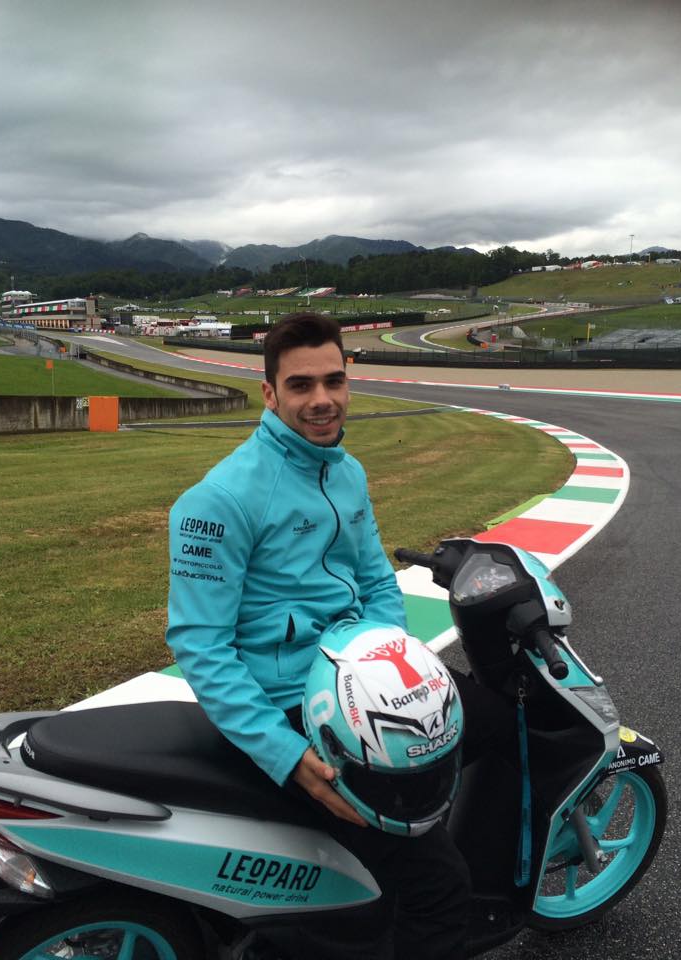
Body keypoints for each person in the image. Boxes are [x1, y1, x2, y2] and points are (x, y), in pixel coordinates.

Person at [166, 313, 474, 959]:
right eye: (301, 385)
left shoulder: (347, 472)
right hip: (289, 710)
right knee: (440, 892)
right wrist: (284, 754)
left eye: (334, 381)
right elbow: (200, 645)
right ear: (269, 394)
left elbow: (378, 580)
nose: (322, 399)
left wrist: (383, 663)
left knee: (497, 717)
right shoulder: (216, 500)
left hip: (360, 687)